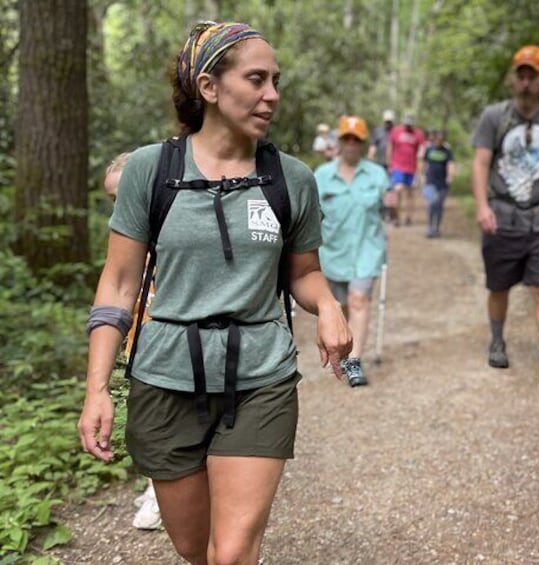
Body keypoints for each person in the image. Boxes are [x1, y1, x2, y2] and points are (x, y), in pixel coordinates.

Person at [79, 21, 352, 564]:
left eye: (275, 80)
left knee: (230, 554)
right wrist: (97, 389)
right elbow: (118, 282)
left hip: (259, 377)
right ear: (209, 86)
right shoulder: (149, 171)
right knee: (194, 550)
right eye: (256, 79)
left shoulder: (290, 178)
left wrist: (328, 303)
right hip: (163, 378)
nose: (271, 94)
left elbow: (303, 272)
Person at [471, 44, 539, 392]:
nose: (527, 81)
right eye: (521, 74)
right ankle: (497, 340)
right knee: (499, 286)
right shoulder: (495, 117)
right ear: (513, 79)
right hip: (502, 217)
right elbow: (481, 161)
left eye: (533, 75)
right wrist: (482, 206)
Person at [103, 153, 163, 531]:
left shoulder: (166, 227)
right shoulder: (125, 236)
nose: (118, 207)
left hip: (168, 343)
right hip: (138, 342)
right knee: (143, 419)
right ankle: (155, 483)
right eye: (112, 199)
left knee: (161, 422)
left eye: (124, 195)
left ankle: (161, 492)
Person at [314, 115, 390, 387]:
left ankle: (355, 362)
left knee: (359, 300)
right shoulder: (321, 176)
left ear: (363, 143)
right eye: (346, 138)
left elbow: (387, 209)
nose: (351, 144)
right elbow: (311, 216)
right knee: (341, 306)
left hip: (366, 250)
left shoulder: (377, 175)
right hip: (333, 253)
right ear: (339, 142)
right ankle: (345, 353)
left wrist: (393, 203)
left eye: (356, 140)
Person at [387, 112, 427, 226]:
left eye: (410, 124)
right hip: (397, 166)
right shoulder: (396, 131)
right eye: (406, 124)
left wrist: (420, 167)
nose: (408, 126)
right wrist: (389, 163)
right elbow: (390, 146)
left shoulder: (418, 134)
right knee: (397, 190)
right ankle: (396, 217)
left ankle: (408, 217)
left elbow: (421, 149)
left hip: (412, 168)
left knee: (410, 193)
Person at [421, 129, 455, 238]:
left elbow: (451, 164)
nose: (439, 140)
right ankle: (430, 227)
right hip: (430, 181)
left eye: (441, 139)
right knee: (432, 203)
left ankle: (437, 227)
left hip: (443, 183)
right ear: (434, 138)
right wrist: (421, 175)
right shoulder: (429, 149)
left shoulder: (447, 151)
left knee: (439, 206)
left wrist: (450, 176)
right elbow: (424, 162)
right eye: (437, 138)